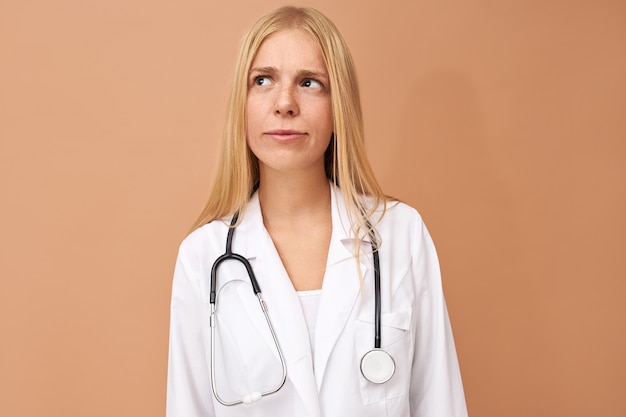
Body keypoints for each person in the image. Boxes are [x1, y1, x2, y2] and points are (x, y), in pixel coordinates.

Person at [166, 5, 468, 417]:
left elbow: (441, 403)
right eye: (263, 80)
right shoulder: (203, 257)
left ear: (338, 105)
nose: (285, 103)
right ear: (243, 100)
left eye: (309, 83)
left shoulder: (400, 234)